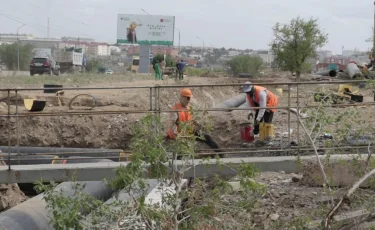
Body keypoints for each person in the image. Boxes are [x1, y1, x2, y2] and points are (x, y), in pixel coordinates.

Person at [167, 88, 223, 157]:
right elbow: (172, 125)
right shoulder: (175, 109)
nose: (189, 100)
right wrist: (176, 136)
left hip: (189, 132)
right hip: (180, 134)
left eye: (189, 98)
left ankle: (220, 154)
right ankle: (180, 157)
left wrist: (198, 126)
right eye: (188, 98)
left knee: (206, 137)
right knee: (184, 150)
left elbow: (192, 120)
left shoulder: (188, 108)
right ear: (182, 97)